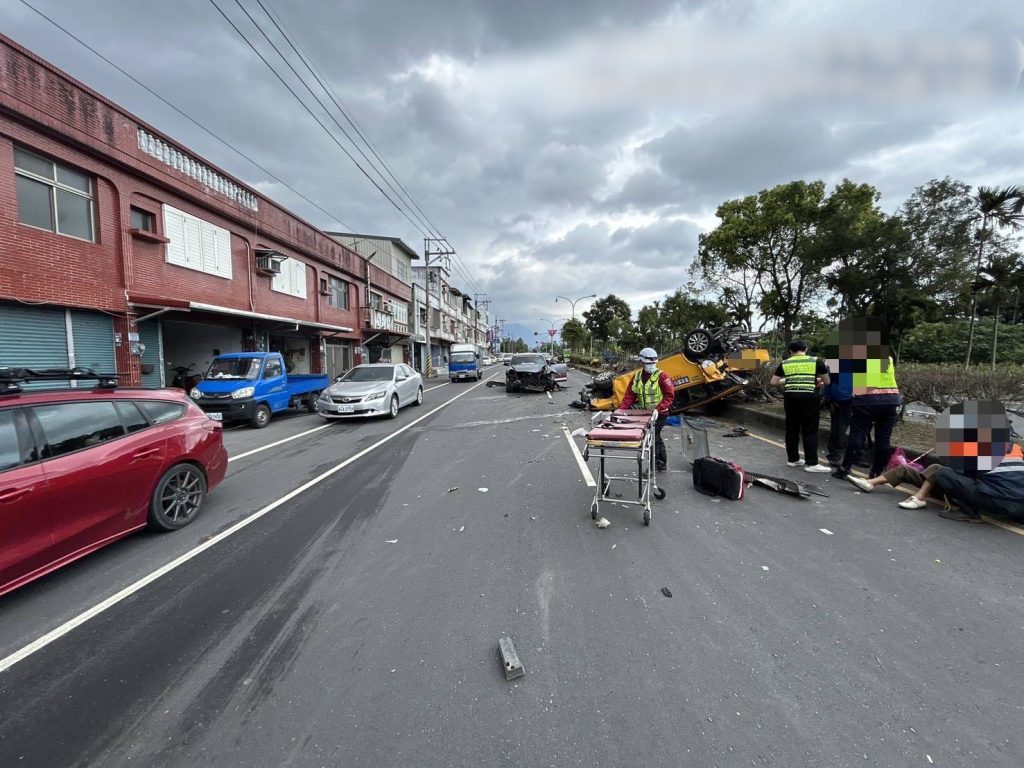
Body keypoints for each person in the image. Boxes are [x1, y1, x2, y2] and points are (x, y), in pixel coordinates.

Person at [832, 319, 901, 480]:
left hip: (866, 400)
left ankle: (845, 468)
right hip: (890, 400)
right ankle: (876, 473)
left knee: (857, 434)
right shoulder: (888, 358)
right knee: (883, 438)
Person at [770, 339, 831, 473]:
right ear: (806, 349)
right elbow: (827, 381)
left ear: (790, 351)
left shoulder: (785, 363)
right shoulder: (816, 361)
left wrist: (790, 378)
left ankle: (793, 459)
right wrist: (816, 379)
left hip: (790, 398)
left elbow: (774, 382)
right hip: (809, 397)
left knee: (792, 429)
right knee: (810, 430)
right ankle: (812, 463)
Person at [933, 440, 1024, 522]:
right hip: (1021, 506)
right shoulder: (1016, 447)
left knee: (944, 473)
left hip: (1000, 504)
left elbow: (957, 469)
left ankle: (969, 512)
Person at [619, 347, 675, 472]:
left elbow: (669, 396)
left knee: (652, 437)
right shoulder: (637, 377)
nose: (651, 365)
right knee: (656, 437)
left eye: (653, 363)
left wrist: (658, 409)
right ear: (642, 362)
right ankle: (661, 463)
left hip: (660, 413)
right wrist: (620, 411)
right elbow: (629, 396)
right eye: (648, 363)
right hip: (645, 413)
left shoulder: (662, 376)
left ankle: (653, 466)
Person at [846, 460, 944, 509]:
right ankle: (870, 483)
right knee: (904, 469)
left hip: (950, 490)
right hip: (940, 480)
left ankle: (920, 498)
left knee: (936, 467)